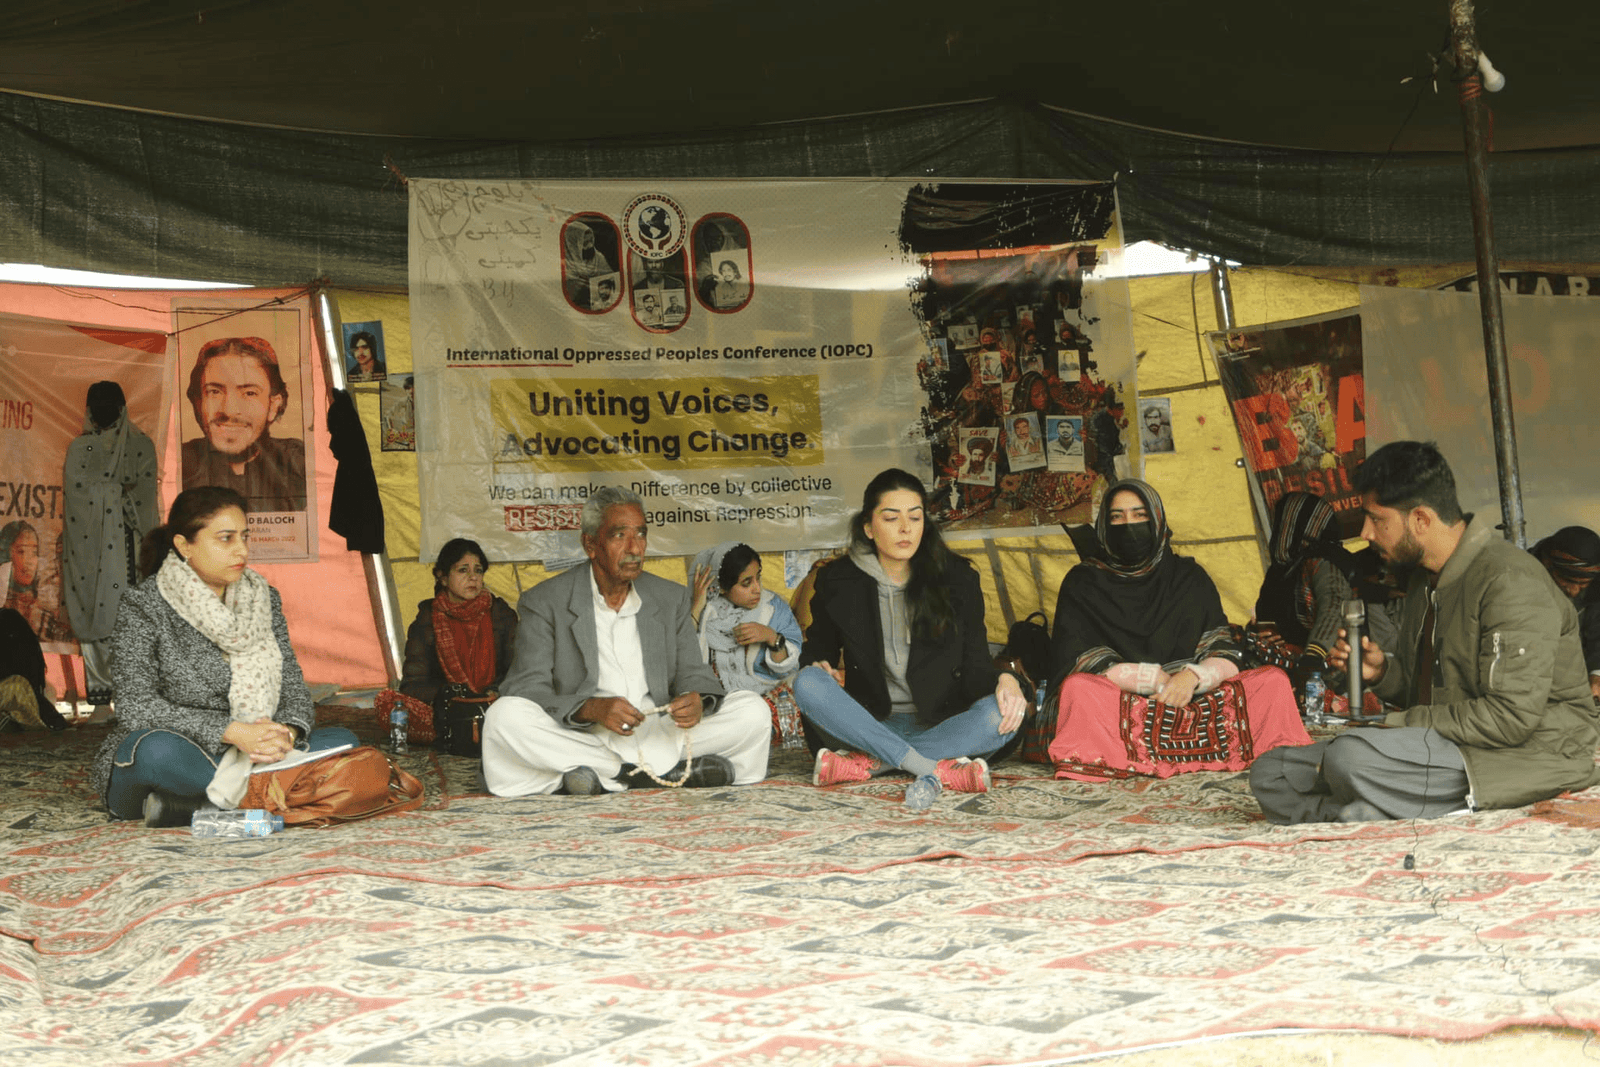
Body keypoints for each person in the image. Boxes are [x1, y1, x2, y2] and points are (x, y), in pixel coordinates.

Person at [1251, 442, 1600, 824]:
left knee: (1347, 757)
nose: (1365, 533)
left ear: (1420, 519)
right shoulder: (1424, 581)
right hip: (1455, 740)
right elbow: (1436, 694)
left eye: (1376, 519)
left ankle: (1380, 804)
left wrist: (1394, 725)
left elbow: (1509, 719)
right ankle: (1365, 812)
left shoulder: (1511, 582)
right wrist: (1382, 673)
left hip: (1533, 750)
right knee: (1272, 772)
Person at [89, 487, 358, 827]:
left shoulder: (263, 599)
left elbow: (292, 686)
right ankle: (278, 794)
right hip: (186, 750)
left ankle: (189, 807)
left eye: (245, 537)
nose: (242, 549)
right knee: (154, 752)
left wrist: (286, 733)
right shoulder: (144, 605)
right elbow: (136, 706)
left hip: (254, 753)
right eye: (226, 538)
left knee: (344, 741)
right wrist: (232, 731)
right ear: (184, 545)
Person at [480, 487, 771, 795]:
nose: (634, 548)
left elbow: (693, 672)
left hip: (661, 732)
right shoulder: (545, 601)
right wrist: (590, 709)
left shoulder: (669, 598)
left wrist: (696, 699)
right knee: (504, 717)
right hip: (584, 734)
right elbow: (527, 689)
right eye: (619, 535)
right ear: (590, 544)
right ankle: (643, 772)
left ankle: (597, 776)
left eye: (641, 534)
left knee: (753, 711)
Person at [793, 469, 1028, 811]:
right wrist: (819, 665)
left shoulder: (958, 579)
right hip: (867, 721)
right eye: (891, 518)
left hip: (942, 721)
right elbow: (818, 648)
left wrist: (1007, 678)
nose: (905, 528)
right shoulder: (838, 580)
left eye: (915, 518)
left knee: (1002, 714)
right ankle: (932, 767)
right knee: (807, 682)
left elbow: (976, 665)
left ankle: (869, 763)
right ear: (869, 527)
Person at [1043, 479, 1308, 780]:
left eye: (1139, 515)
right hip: (1122, 706)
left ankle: (1136, 754)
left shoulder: (1189, 577)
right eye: (1117, 517)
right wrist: (1150, 679)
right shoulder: (1083, 582)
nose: (1128, 525)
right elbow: (1076, 660)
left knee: (1272, 681)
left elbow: (1223, 649)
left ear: (1157, 520)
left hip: (1195, 703)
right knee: (1078, 691)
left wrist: (1192, 677)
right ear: (1104, 525)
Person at [62, 381, 159, 708]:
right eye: (98, 406)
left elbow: (144, 498)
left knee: (132, 620)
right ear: (89, 411)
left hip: (130, 549)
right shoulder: (80, 449)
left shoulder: (140, 446)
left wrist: (110, 491)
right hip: (90, 551)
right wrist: (117, 489)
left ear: (122, 409)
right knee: (96, 616)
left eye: (109, 406)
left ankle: (136, 699)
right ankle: (102, 703)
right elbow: (75, 501)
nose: (103, 412)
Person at [394, 538, 518, 722]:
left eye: (478, 570)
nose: (473, 577)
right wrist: (452, 694)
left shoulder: (501, 614)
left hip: (499, 707)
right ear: (443, 577)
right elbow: (412, 684)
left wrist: (495, 691)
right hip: (449, 714)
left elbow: (519, 670)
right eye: (463, 570)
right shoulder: (427, 620)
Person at [181, 336, 307, 512]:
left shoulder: (299, 463)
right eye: (214, 392)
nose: (229, 410)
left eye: (249, 393)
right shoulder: (178, 464)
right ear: (197, 402)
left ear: (273, 405)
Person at [690, 541, 801, 696]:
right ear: (722, 586)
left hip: (766, 697)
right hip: (716, 699)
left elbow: (788, 671)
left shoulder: (774, 608)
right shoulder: (704, 610)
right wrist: (696, 609)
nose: (757, 589)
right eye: (746, 583)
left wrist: (771, 637)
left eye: (758, 578)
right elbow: (684, 665)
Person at [1530, 525, 1600, 702]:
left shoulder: (1595, 589)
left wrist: (1597, 674)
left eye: (1583, 585)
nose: (1574, 591)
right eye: (1567, 580)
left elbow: (1597, 633)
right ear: (1547, 564)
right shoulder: (1523, 581)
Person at [562, 219, 615, 308]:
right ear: (573, 245)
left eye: (591, 240)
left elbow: (611, 279)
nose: (590, 245)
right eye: (585, 243)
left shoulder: (598, 257)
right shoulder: (565, 264)